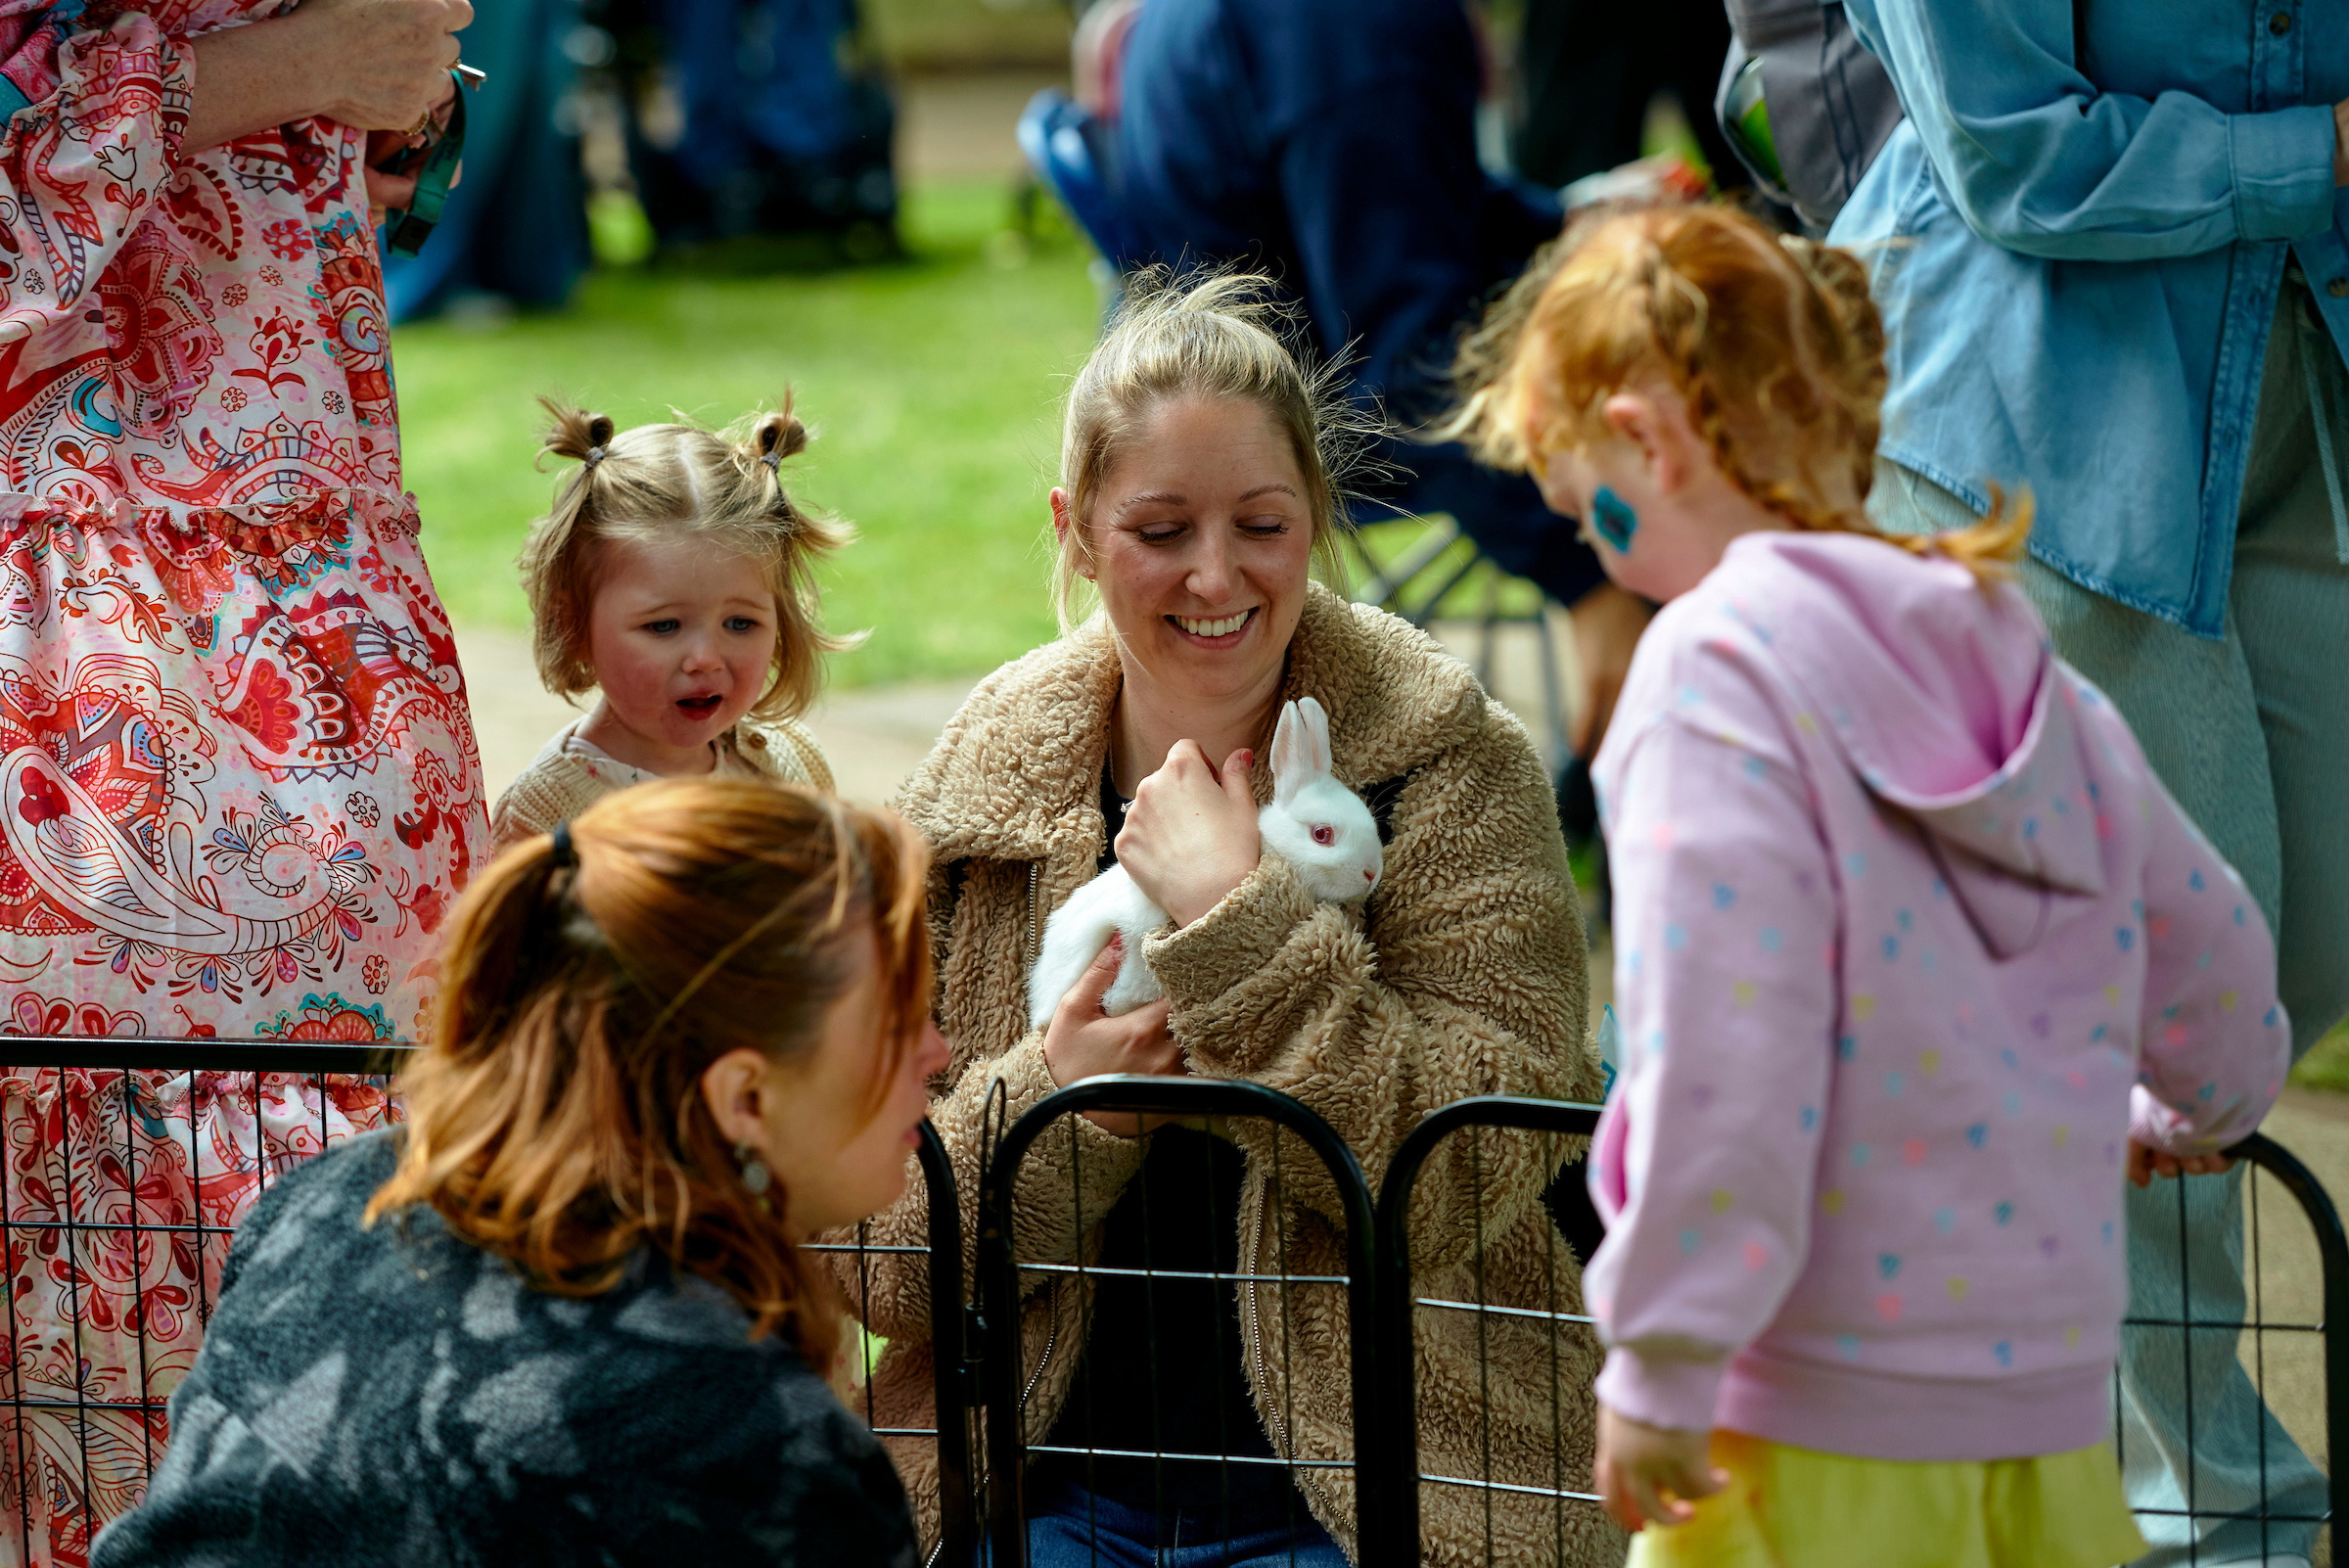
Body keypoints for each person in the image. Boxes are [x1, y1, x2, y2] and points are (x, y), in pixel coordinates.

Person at [1450, 202, 2290, 1567]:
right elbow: (2212, 947)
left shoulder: (1708, 674)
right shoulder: (2014, 654)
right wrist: (2198, 1102)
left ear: (1648, 445)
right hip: (2046, 1408)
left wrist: (1661, 1362)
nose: (1597, 553)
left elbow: (1720, 1061)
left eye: (1585, 509)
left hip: (1805, 1419)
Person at [834, 270, 1616, 1567]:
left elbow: (1471, 1173)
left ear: (1318, 513)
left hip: (1388, 1485)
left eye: (1263, 521)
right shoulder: (975, 795)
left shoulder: (1451, 765)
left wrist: (1239, 927)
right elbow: (874, 1252)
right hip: (1043, 1482)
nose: (1216, 574)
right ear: (1075, 529)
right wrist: (1071, 1104)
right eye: (1158, 528)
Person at [1827, 7, 2348, 1559]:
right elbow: (2009, 150)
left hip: (2300, 379)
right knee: (2140, 993)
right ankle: (2203, 1508)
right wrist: (2317, 152)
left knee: (2282, 940)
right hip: (2030, 426)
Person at [0, 0, 491, 1550]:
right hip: (95, 604)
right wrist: (287, 73)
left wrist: (393, 103)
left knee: (363, 1235)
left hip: (312, 562)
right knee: (118, 1254)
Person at [90, 778, 947, 1566]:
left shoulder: (331, 1201)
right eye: (897, 1022)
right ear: (745, 1099)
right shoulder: (754, 1444)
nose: (937, 1056)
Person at [1112, 0, 1653, 759]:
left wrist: (1567, 223)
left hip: (1220, 383)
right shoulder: (1356, 24)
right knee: (1673, 434)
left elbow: (1407, 193)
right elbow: (1409, 374)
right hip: (1293, 429)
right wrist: (1596, 583)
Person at [489, 401, 842, 851]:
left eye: (740, 622)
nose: (705, 659)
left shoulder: (790, 764)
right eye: (663, 626)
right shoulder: (547, 818)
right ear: (573, 625)